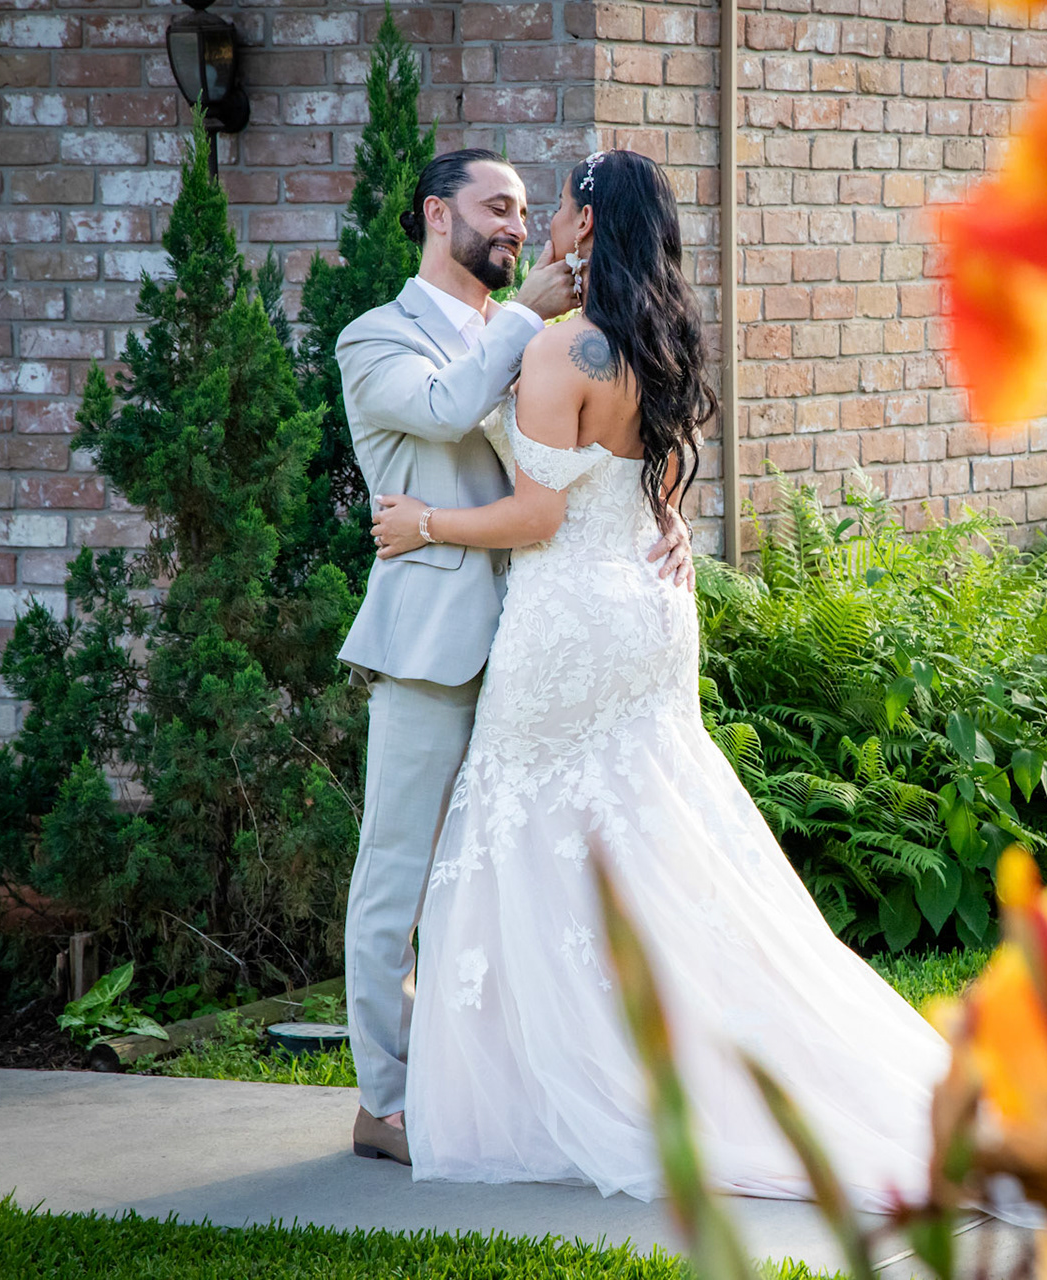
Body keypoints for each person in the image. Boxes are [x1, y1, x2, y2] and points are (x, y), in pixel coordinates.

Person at [369, 149, 1047, 1220]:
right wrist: (661, 524)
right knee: (649, 839)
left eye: (558, 210)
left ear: (587, 225)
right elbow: (655, 488)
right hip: (649, 614)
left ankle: (565, 1085)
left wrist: (423, 522)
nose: (542, 224)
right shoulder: (662, 342)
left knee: (538, 838)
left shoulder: (558, 348)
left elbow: (538, 515)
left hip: (569, 624)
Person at [336, 146, 694, 1168]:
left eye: (529, 210)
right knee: (399, 877)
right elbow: (445, 410)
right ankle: (387, 1102)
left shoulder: (541, 334)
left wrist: (661, 517)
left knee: (519, 880)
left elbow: (595, 459)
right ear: (434, 214)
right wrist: (526, 322)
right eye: (496, 206)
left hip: (548, 641)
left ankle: (511, 1084)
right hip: (435, 647)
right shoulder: (377, 337)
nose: (516, 224)